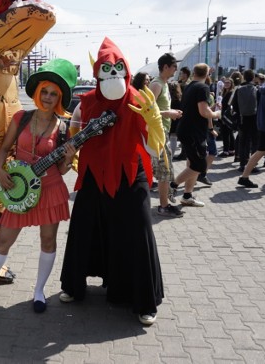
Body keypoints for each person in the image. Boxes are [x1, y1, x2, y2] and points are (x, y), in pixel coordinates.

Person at [0, 59, 77, 313]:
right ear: (37, 92)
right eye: (44, 91)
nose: (47, 97)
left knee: (48, 241)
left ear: (59, 99)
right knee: (3, 241)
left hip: (50, 189)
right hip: (20, 188)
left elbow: (63, 170)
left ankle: (39, 291)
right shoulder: (22, 118)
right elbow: (4, 148)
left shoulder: (63, 128)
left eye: (53, 94)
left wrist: (67, 157)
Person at [60, 37, 165, 326]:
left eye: (117, 68)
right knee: (83, 225)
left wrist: (155, 125)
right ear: (97, 73)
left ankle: (144, 300)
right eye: (105, 69)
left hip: (131, 173)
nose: (112, 75)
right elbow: (73, 136)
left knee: (139, 229)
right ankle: (73, 285)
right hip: (94, 173)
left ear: (126, 70)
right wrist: (70, 154)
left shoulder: (139, 100)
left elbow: (155, 149)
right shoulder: (88, 102)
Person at [169, 63, 221, 208]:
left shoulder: (190, 86)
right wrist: (216, 114)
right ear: (208, 74)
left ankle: (187, 195)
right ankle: (172, 186)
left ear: (194, 72)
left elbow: (197, 109)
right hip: (193, 132)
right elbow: (203, 112)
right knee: (200, 165)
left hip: (187, 130)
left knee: (192, 163)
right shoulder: (203, 87)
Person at [148, 53, 183, 217]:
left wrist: (170, 113)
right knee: (164, 171)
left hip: (163, 133)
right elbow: (147, 111)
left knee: (165, 171)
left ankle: (165, 203)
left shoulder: (163, 83)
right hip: (158, 135)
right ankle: (163, 206)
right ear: (166, 67)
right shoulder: (156, 84)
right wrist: (168, 113)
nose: (176, 69)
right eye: (174, 66)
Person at [234, 69, 259, 172]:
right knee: (255, 142)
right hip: (254, 118)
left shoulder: (238, 89)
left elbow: (234, 105)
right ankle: (252, 164)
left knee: (243, 142)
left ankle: (242, 164)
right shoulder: (257, 89)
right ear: (253, 78)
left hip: (242, 118)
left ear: (244, 77)